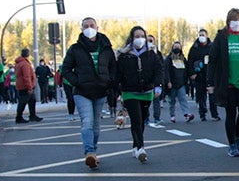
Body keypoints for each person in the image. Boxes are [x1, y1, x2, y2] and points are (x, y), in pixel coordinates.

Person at [62, 17, 117, 169]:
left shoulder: (106, 47)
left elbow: (113, 67)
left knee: (96, 124)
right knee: (87, 121)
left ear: (97, 27)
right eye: (85, 26)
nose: (89, 28)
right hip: (82, 91)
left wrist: (110, 82)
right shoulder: (75, 49)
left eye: (91, 25)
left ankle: (93, 151)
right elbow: (65, 69)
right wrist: (77, 81)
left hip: (100, 91)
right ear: (81, 29)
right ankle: (89, 152)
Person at [207, 8, 239, 157]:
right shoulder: (221, 37)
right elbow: (213, 60)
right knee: (230, 113)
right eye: (234, 19)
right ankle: (232, 144)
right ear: (228, 21)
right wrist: (210, 83)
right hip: (227, 83)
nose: (237, 22)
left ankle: (237, 135)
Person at [116, 26, 164, 163]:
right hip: (129, 92)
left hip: (146, 91)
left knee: (142, 120)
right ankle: (141, 148)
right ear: (131, 38)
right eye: (137, 36)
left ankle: (135, 145)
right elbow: (118, 74)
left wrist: (158, 86)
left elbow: (159, 70)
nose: (140, 39)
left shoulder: (151, 54)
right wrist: (116, 91)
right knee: (136, 119)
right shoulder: (124, 55)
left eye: (142, 36)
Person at [188, 28, 220, 121]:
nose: (201, 37)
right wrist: (192, 73)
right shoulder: (194, 47)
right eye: (200, 35)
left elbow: (217, 60)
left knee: (212, 95)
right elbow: (190, 61)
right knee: (200, 95)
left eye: (203, 35)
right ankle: (202, 113)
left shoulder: (212, 46)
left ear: (207, 35)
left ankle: (214, 114)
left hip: (210, 74)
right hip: (199, 75)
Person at [165, 41, 194, 123]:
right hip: (172, 83)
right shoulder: (169, 59)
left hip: (181, 83)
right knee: (172, 101)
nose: (177, 48)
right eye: (175, 47)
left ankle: (186, 114)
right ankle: (172, 115)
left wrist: (190, 78)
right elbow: (166, 71)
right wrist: (168, 81)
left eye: (178, 47)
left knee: (183, 99)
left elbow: (187, 70)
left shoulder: (183, 59)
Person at [14, 48, 43, 124]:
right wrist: (29, 87)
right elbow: (27, 76)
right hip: (25, 86)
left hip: (21, 85)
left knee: (32, 100)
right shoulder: (25, 64)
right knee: (23, 102)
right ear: (28, 54)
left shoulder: (18, 63)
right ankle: (19, 117)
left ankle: (32, 115)